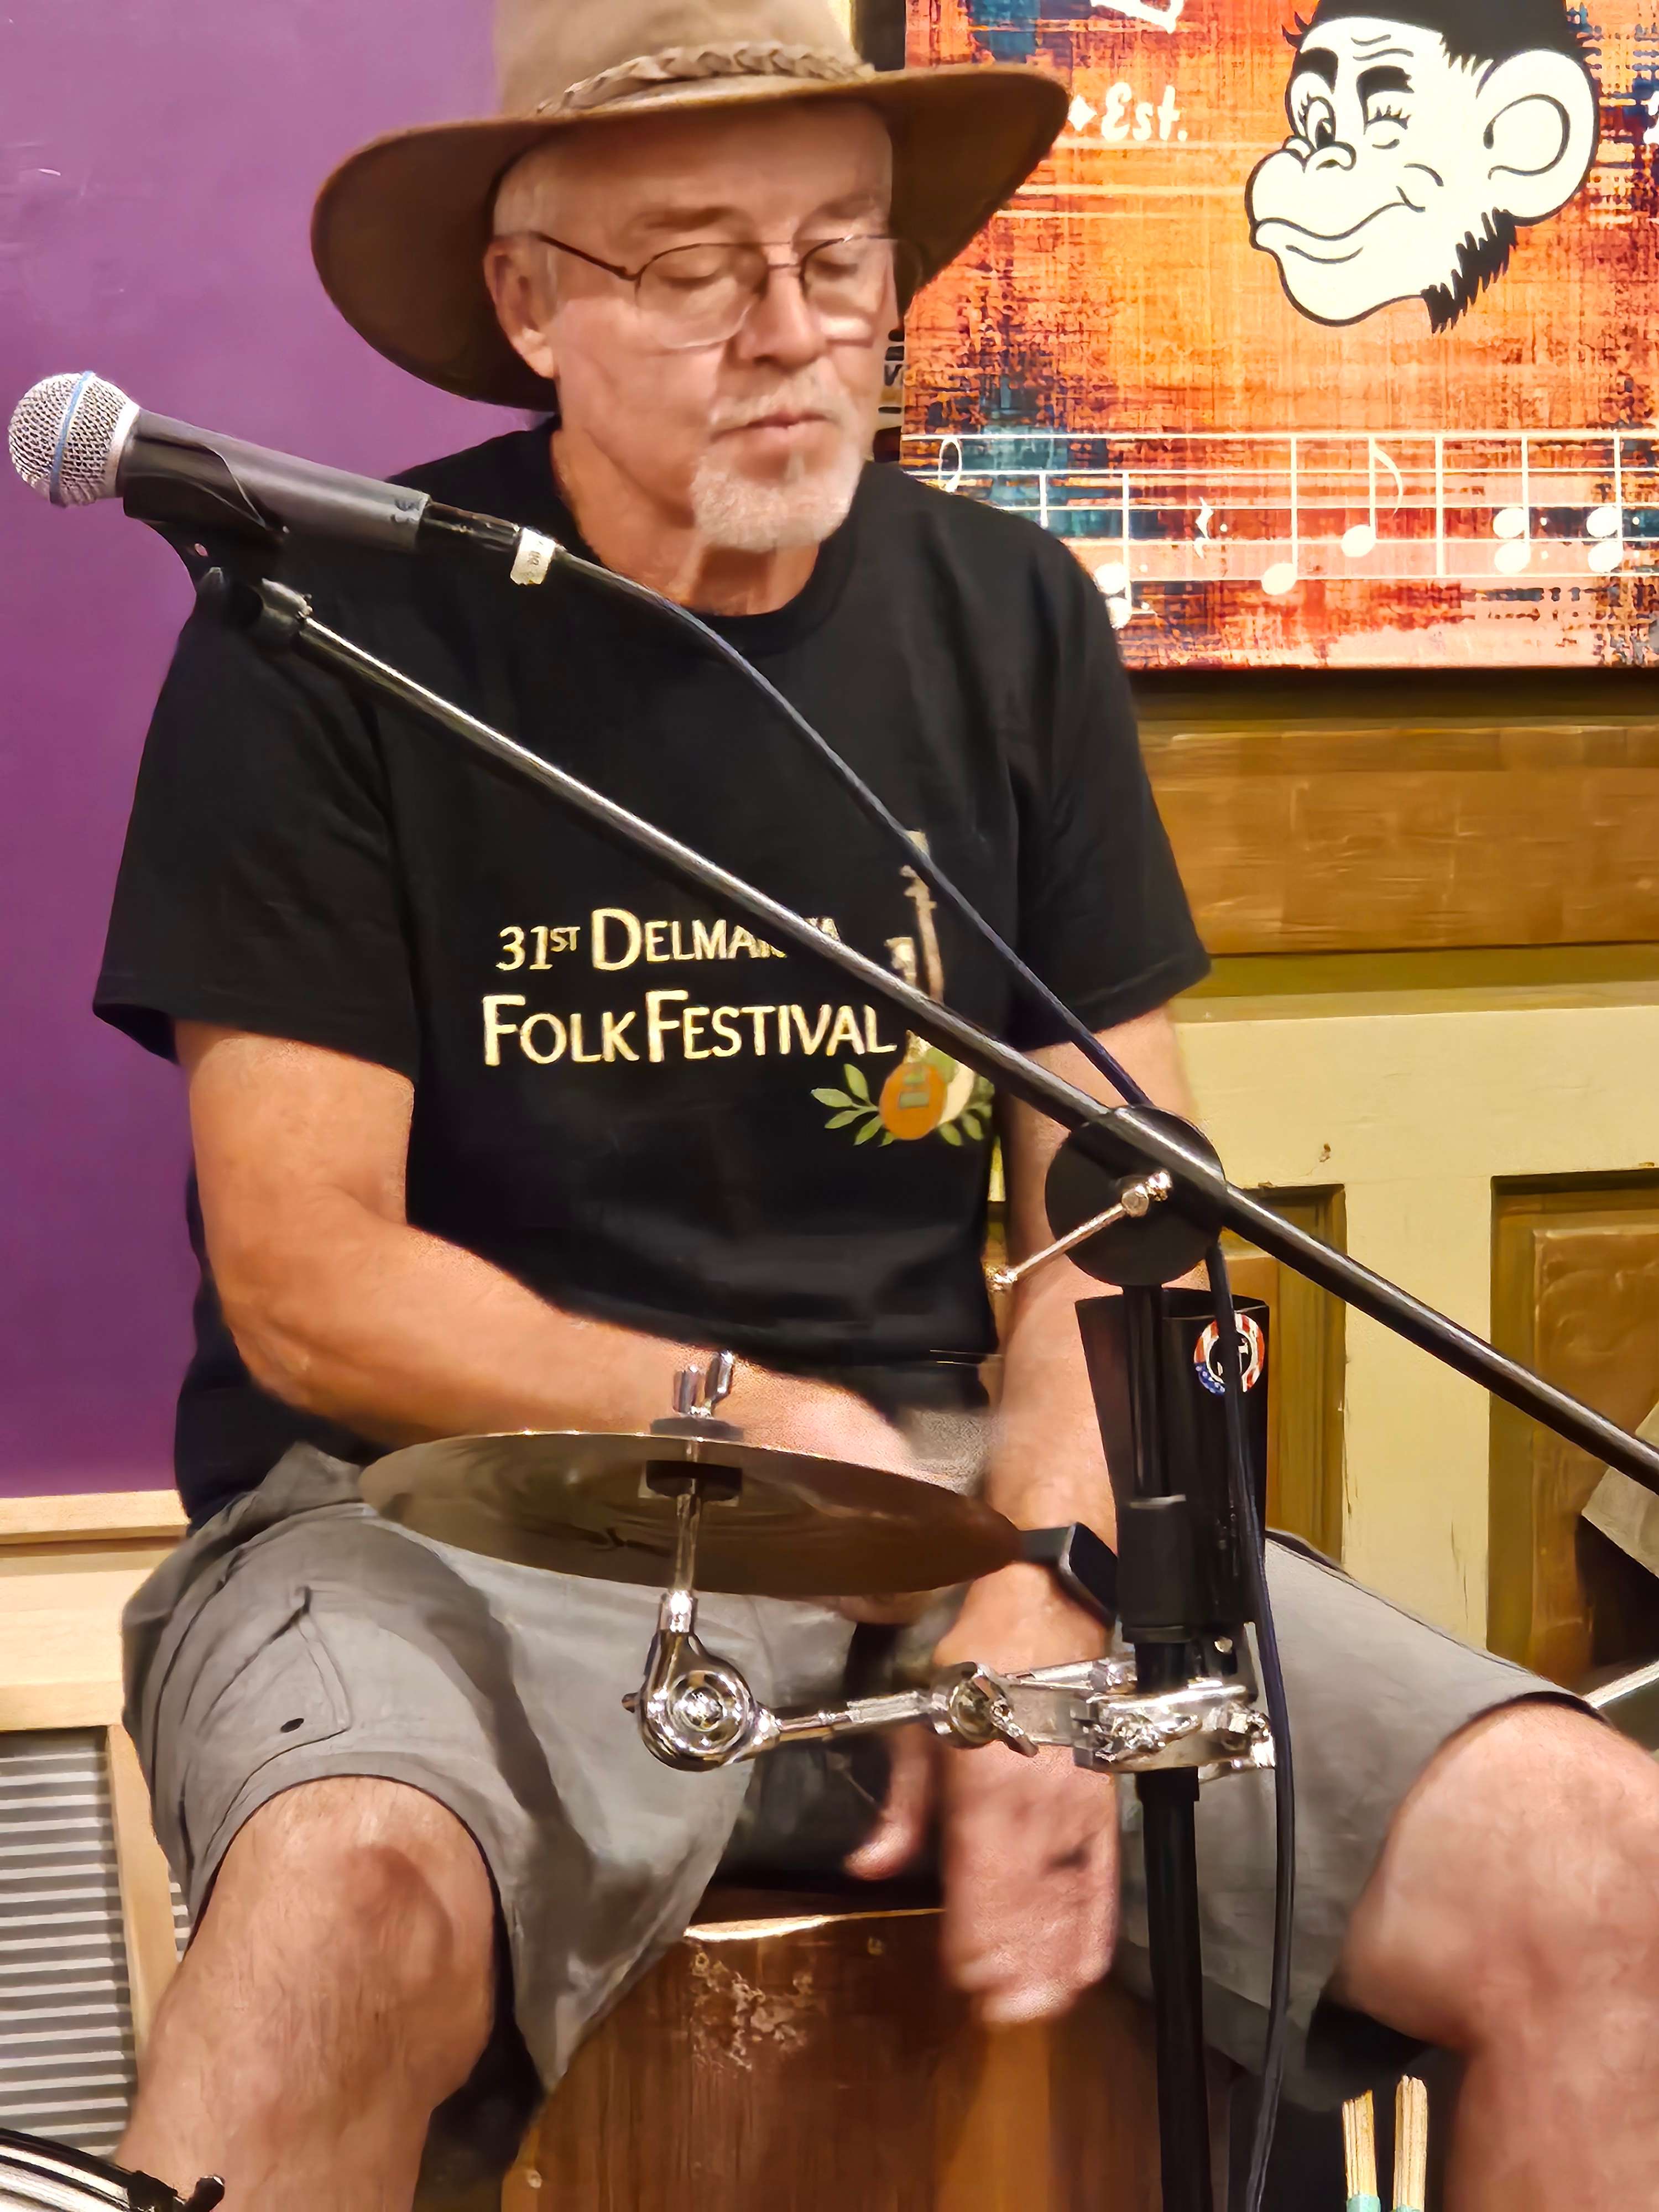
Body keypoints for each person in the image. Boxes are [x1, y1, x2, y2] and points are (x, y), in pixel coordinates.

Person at [91, 2, 1659, 2207]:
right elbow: (308, 1277)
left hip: (945, 1501)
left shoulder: (1007, 611)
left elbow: (1121, 1196)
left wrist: (1059, 1563)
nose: (795, 329)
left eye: (844, 256)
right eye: (701, 265)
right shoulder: (324, 625)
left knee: (1603, 1863)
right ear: (530, 301)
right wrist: (730, 1408)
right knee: (344, 1895)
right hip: (433, 1516)